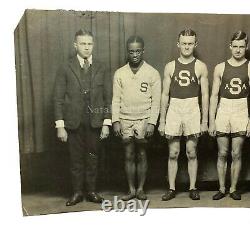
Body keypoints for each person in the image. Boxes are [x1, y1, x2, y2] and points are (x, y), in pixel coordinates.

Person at [53, 29, 112, 206]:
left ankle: (92, 191)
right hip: (73, 123)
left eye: (89, 44)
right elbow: (57, 98)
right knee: (76, 159)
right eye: (83, 44)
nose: (87, 48)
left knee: (93, 158)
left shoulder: (102, 67)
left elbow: (108, 97)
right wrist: (60, 125)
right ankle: (77, 192)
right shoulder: (65, 66)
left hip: (95, 121)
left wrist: (106, 123)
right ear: (75, 45)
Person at [158, 29, 209, 201]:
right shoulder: (170, 66)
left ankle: (193, 187)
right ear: (178, 44)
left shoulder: (200, 66)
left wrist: (205, 121)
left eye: (190, 43)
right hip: (174, 107)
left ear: (195, 44)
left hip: (192, 107)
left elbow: (206, 96)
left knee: (191, 151)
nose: (187, 47)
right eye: (184, 43)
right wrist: (162, 120)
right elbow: (165, 94)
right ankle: (172, 188)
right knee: (173, 152)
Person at [112, 35, 161, 201]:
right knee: (128, 154)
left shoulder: (152, 73)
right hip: (125, 118)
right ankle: (131, 189)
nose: (135, 54)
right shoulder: (120, 73)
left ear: (143, 51)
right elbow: (116, 99)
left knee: (141, 153)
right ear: (128, 52)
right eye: (131, 51)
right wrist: (116, 120)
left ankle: (140, 189)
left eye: (138, 51)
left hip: (144, 118)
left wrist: (152, 123)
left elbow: (156, 102)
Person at [209, 31, 250, 200]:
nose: (238, 50)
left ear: (246, 47)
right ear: (230, 46)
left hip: (241, 109)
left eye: (242, 47)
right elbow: (213, 96)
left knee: (237, 153)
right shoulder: (220, 67)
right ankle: (222, 187)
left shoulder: (249, 67)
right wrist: (211, 121)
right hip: (224, 108)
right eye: (235, 46)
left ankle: (233, 188)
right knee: (222, 152)